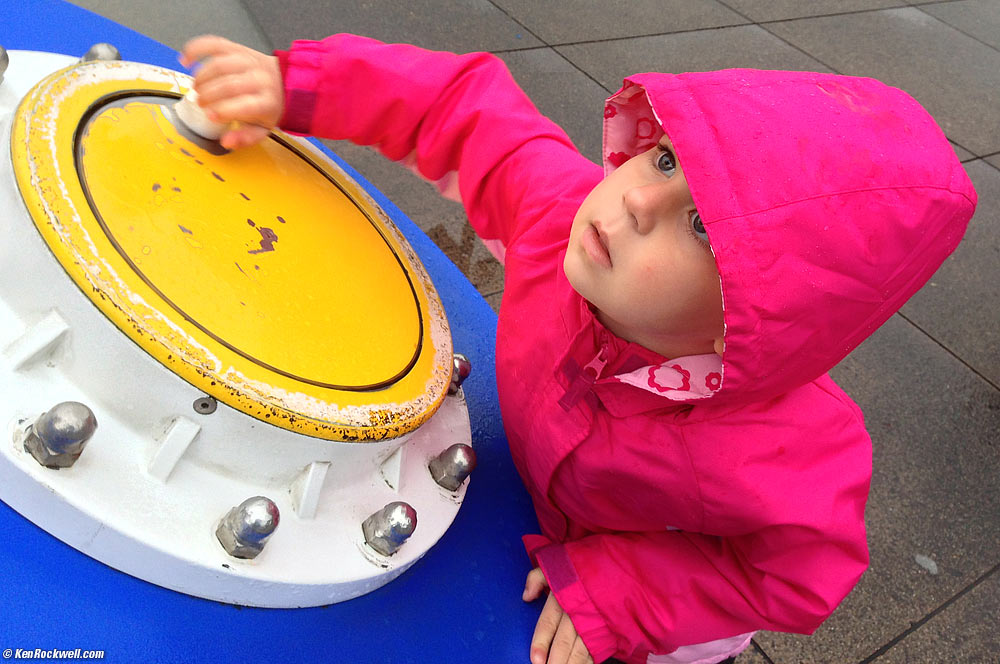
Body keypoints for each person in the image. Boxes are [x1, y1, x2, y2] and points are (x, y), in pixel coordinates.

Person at [179, 34, 977, 664]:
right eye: (667, 157)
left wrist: (629, 591)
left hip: (665, 600)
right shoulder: (563, 215)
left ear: (745, 317)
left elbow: (798, 576)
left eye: (702, 226)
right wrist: (302, 85)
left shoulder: (794, 449)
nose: (637, 198)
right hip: (536, 501)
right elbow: (465, 110)